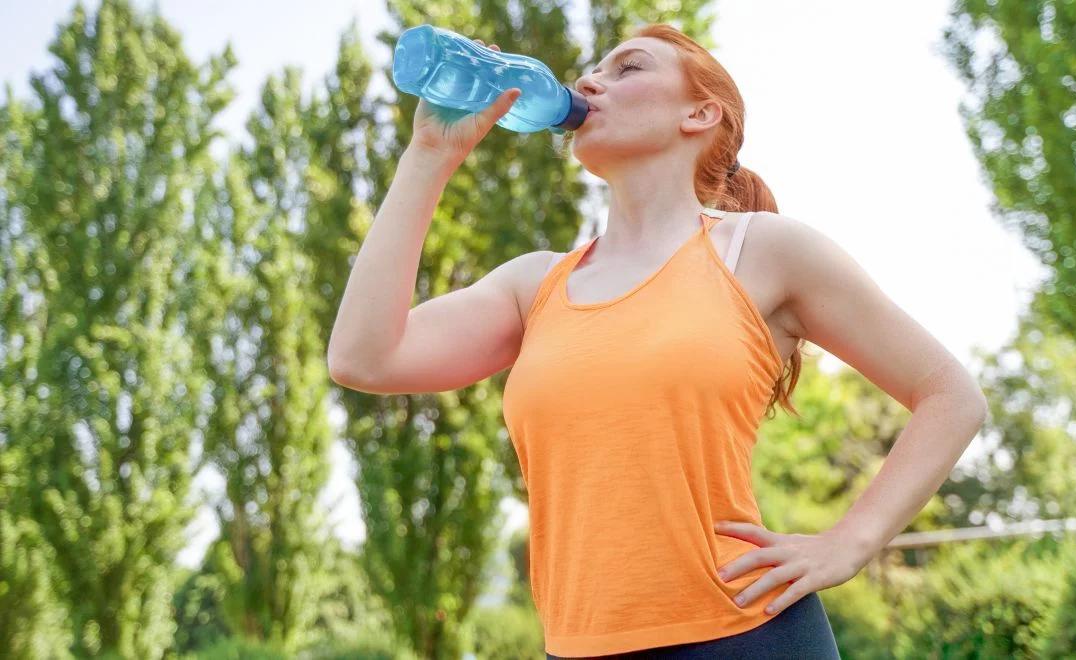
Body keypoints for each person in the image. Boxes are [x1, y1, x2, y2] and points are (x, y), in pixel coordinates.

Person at [328, 23, 988, 660]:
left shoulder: (764, 252)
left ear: (699, 115)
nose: (590, 80)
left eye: (629, 67)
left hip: (743, 636)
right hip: (579, 645)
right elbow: (363, 357)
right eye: (595, 70)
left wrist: (850, 542)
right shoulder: (534, 285)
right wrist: (429, 156)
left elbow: (950, 395)